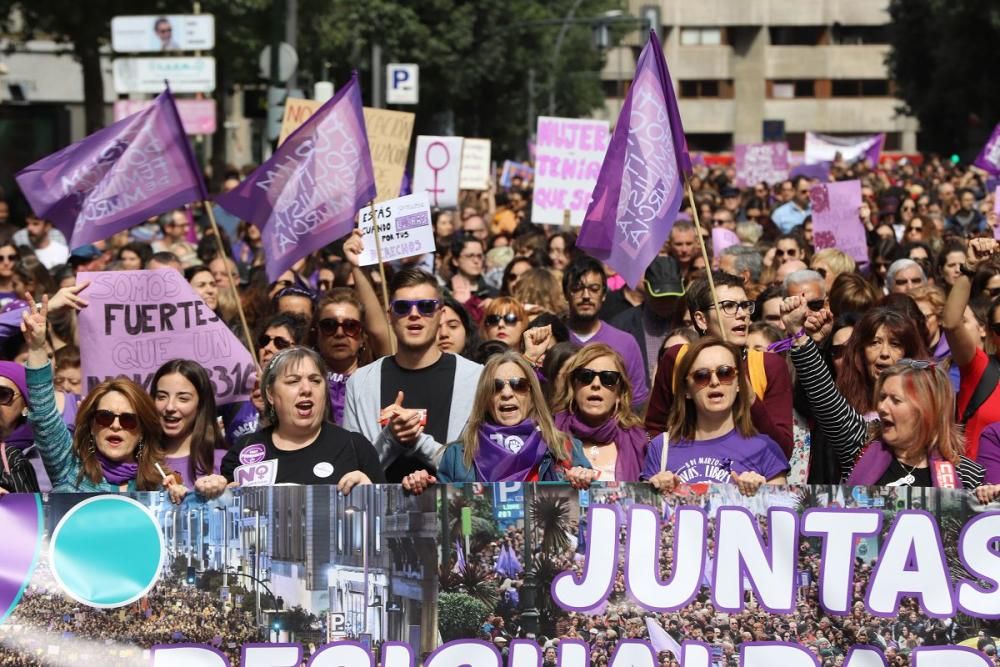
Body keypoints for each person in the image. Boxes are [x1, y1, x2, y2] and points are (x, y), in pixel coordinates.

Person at [22, 294, 180, 497]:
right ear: (91, 425)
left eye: (128, 420)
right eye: (104, 417)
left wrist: (179, 500)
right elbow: (43, 414)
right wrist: (36, 347)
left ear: (142, 430)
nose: (116, 425)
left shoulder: (160, 485)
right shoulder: (69, 468)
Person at [343, 269, 483, 482]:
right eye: (402, 307)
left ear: (440, 313)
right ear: (389, 316)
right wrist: (391, 437)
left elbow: (481, 468)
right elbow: (353, 471)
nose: (414, 314)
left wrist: (417, 440)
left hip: (454, 511)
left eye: (426, 306)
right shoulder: (360, 382)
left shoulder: (476, 377)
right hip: (382, 511)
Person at [646, 271, 794, 459]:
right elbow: (652, 429)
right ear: (701, 319)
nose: (741, 315)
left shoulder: (769, 365)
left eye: (744, 306)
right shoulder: (677, 359)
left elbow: (783, 450)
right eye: (729, 306)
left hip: (748, 481)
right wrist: (659, 462)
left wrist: (752, 401)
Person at [400, 350, 595, 489]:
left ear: (532, 394)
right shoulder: (456, 456)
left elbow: (587, 507)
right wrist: (423, 489)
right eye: (496, 387)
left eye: (518, 385)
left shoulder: (566, 447)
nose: (507, 393)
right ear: (485, 398)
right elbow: (446, 518)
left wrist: (584, 478)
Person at [222, 347, 384, 490]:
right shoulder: (243, 451)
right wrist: (215, 493)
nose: (306, 389)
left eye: (315, 381)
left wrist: (369, 495)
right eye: (293, 381)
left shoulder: (355, 448)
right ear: (270, 394)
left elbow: (385, 516)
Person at [642, 337, 788, 495]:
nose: (714, 381)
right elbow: (643, 511)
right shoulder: (660, 447)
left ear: (739, 383)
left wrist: (762, 493)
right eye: (701, 376)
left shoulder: (766, 449)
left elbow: (782, 513)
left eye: (725, 373)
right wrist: (656, 491)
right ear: (686, 390)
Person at [551, 343, 648, 481]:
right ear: (573, 387)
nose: (596, 384)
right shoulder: (551, 435)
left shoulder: (641, 441)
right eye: (586, 376)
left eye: (608, 378)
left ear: (620, 394)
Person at [562, 257, 649, 407]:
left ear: (603, 294)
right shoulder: (554, 339)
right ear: (566, 294)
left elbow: (637, 403)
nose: (586, 296)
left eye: (594, 289)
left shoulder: (625, 342)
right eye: (577, 289)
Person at [151, 360, 229, 497]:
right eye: (161, 397)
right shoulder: (140, 459)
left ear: (201, 404)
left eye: (183, 398)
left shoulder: (223, 460)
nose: (170, 407)